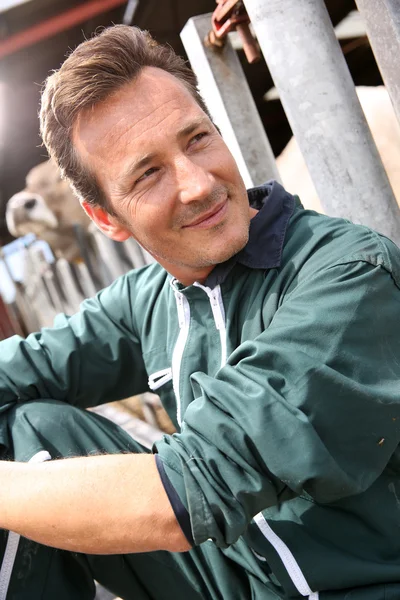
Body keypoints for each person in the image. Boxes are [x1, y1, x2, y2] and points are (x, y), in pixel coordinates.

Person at [0, 24, 400, 600]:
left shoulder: (346, 273)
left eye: (196, 140)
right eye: (148, 173)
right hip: (229, 577)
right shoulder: (151, 297)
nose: (196, 184)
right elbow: (22, 365)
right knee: (28, 433)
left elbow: (191, 489)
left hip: (350, 586)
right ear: (107, 219)